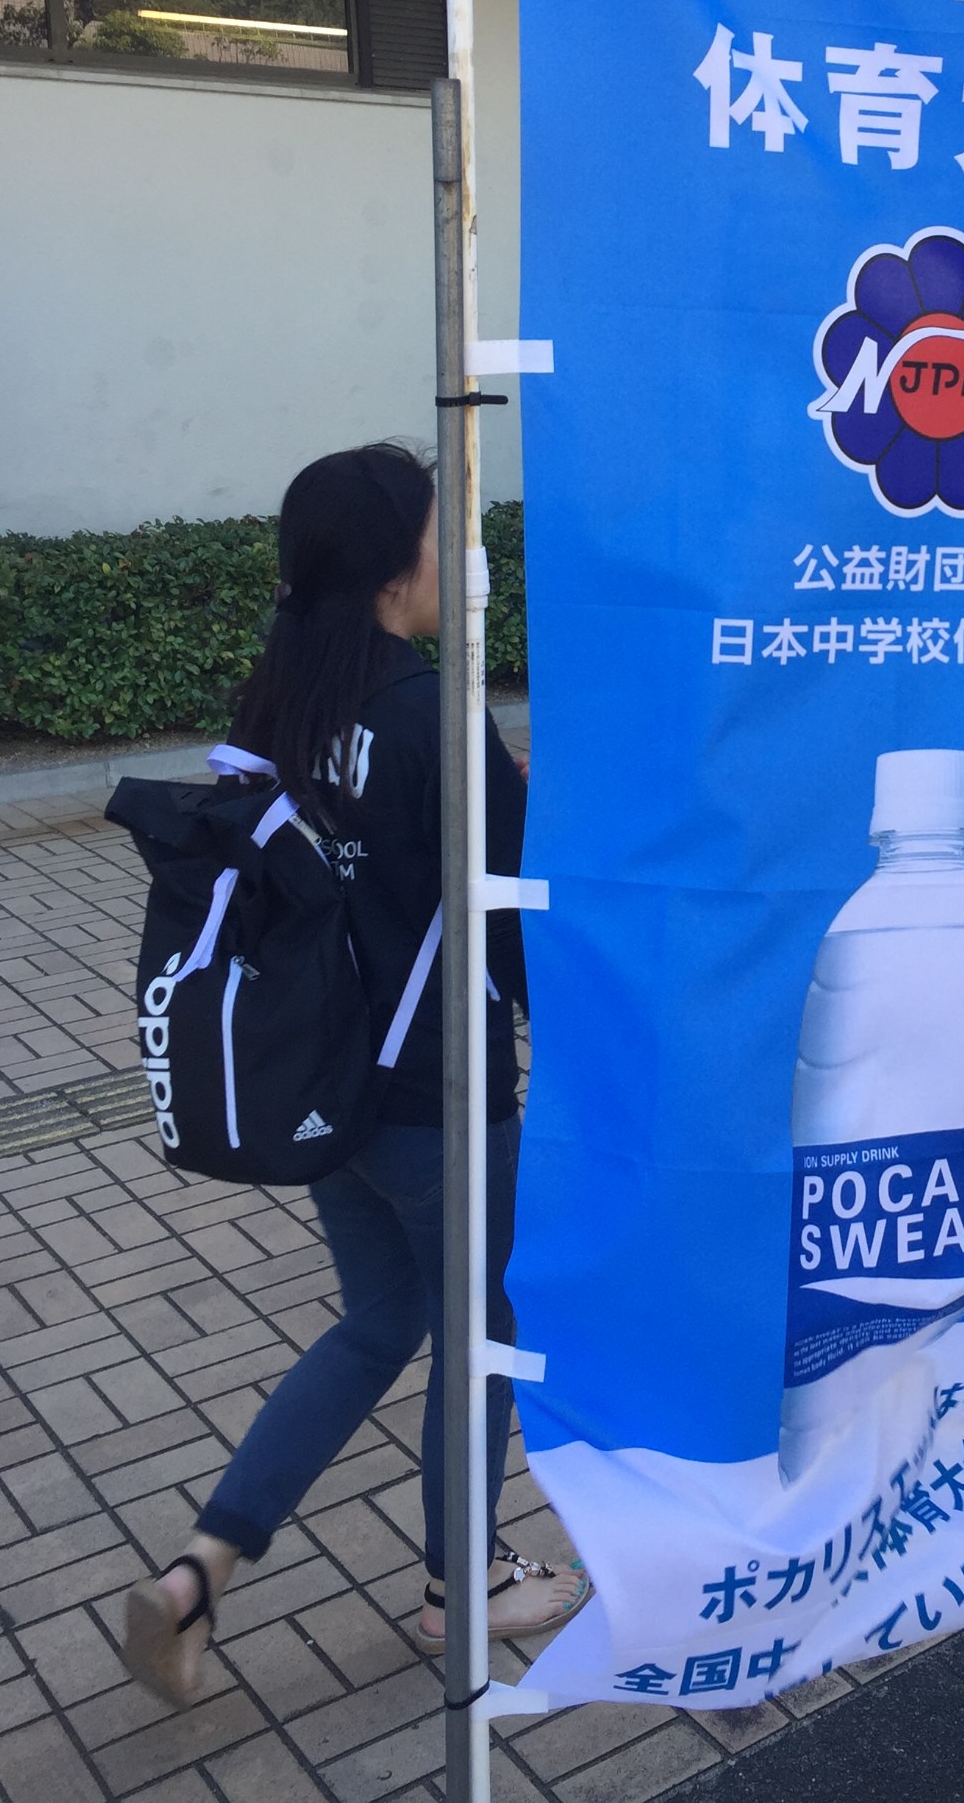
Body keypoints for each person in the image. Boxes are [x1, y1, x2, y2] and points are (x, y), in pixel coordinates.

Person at [122, 443, 587, 1708]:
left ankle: (202, 1568)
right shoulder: (432, 712)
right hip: (441, 1098)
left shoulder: (282, 702)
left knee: (381, 1320)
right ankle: (461, 1588)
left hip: (328, 1087)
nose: (454, 557)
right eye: (442, 535)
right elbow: (513, 920)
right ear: (395, 568)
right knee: (478, 1336)